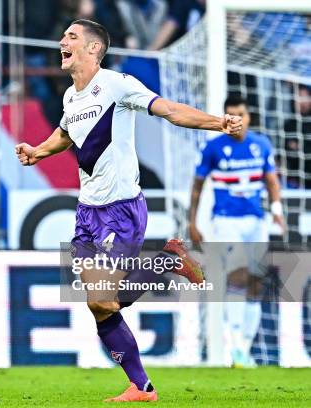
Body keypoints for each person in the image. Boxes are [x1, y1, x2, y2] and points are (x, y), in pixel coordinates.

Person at [15, 19, 244, 402]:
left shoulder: (118, 84)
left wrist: (217, 122)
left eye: (71, 37)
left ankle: (167, 262)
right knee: (97, 305)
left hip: (120, 209)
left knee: (103, 299)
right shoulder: (72, 97)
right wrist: (38, 151)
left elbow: (168, 109)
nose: (61, 42)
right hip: (87, 211)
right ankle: (142, 387)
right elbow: (66, 134)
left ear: (93, 49)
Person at [189, 95, 285, 368]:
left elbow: (271, 181)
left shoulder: (261, 145)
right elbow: (197, 186)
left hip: (256, 220)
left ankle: (242, 347)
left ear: (248, 116)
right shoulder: (213, 147)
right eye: (230, 115)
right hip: (226, 221)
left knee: (256, 282)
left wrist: (277, 211)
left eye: (240, 115)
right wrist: (192, 222)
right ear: (225, 117)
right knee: (238, 276)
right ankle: (235, 346)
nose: (236, 120)